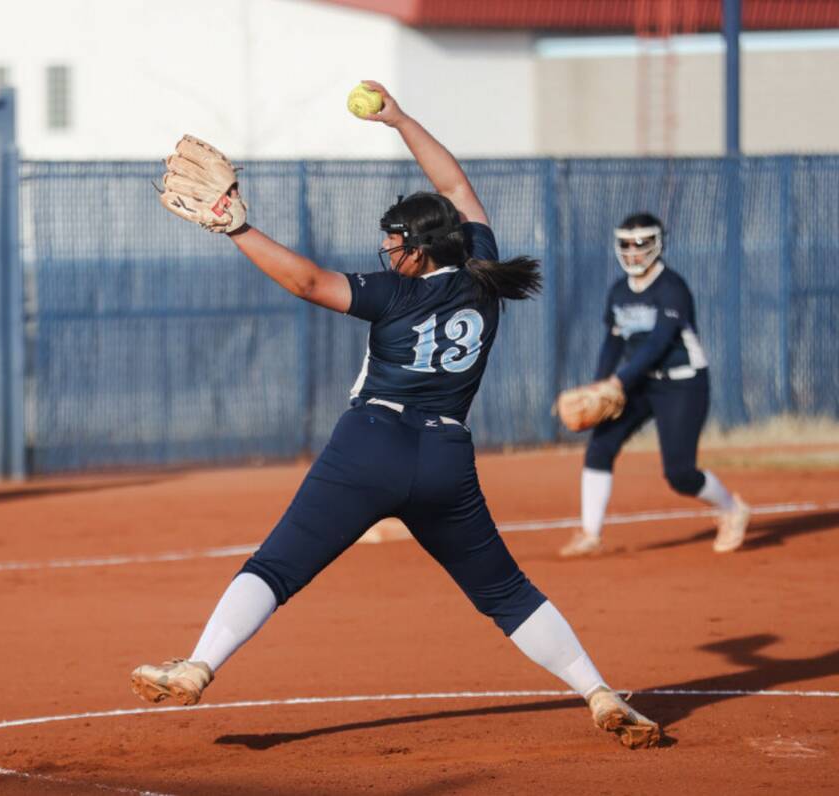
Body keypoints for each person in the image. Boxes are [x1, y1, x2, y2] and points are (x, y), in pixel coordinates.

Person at [131, 81, 661, 749]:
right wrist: (402, 120)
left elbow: (305, 281)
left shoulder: (394, 294)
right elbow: (458, 187)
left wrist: (238, 227)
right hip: (445, 459)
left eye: (393, 243)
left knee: (274, 567)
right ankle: (598, 691)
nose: (385, 252)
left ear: (418, 250)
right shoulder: (481, 274)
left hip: (371, 445)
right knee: (505, 593)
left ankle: (199, 666)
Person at [559, 214, 749, 557]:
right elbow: (614, 340)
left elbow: (659, 343)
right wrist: (601, 382)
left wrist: (618, 382)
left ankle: (731, 509)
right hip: (639, 383)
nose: (633, 252)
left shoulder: (671, 288)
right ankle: (590, 534)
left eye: (641, 243)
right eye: (626, 244)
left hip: (683, 384)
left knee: (679, 473)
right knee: (600, 448)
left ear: (657, 244)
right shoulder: (619, 291)